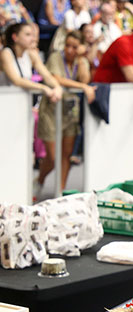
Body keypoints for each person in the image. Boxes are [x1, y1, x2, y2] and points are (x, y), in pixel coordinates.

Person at [36, 31, 95, 193]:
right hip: (51, 110)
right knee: (53, 157)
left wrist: (82, 60)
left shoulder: (80, 60)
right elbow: (57, 79)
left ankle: (60, 191)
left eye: (74, 47)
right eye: (67, 45)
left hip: (70, 112)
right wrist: (83, 87)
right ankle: (40, 181)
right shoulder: (56, 57)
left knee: (66, 155)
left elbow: (85, 79)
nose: (69, 50)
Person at [0, 22, 62, 98]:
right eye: (27, 35)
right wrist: (43, 88)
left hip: (23, 101)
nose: (33, 39)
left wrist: (57, 87)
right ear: (15, 37)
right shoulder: (6, 53)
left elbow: (47, 76)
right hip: (5, 100)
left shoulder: (31, 54)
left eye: (33, 35)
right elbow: (16, 80)